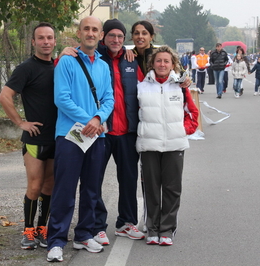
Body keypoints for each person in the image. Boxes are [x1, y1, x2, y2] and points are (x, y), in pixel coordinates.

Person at [46, 16, 114, 262]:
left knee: (92, 189)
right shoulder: (66, 61)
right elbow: (62, 99)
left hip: (97, 135)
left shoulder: (104, 66)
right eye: (86, 28)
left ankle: (84, 234)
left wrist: (97, 119)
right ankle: (56, 241)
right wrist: (91, 121)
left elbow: (109, 99)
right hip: (70, 135)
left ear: (100, 35)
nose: (91, 33)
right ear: (79, 33)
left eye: (95, 29)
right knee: (64, 189)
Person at [0, 22, 58, 250]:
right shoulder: (26, 68)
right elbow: (4, 96)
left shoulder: (61, 66)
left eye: (49, 38)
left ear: (54, 41)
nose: (45, 42)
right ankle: (28, 231)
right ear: (33, 42)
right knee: (34, 186)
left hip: (57, 138)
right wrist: (20, 122)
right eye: (41, 38)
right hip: (34, 140)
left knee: (49, 186)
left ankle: (43, 229)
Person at [136, 45, 198, 246]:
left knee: (172, 189)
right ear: (152, 64)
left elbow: (193, 114)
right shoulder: (141, 86)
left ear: (173, 64)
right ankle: (152, 229)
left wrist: (182, 130)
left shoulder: (181, 86)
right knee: (152, 189)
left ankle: (167, 229)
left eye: (166, 61)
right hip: (149, 145)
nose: (162, 64)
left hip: (174, 145)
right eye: (158, 61)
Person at [92, 18, 145, 245]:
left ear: (125, 39)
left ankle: (126, 223)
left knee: (129, 179)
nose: (116, 40)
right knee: (94, 181)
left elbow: (148, 88)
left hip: (127, 132)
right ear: (103, 36)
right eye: (112, 35)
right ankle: (96, 226)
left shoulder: (131, 59)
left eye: (120, 37)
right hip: (100, 132)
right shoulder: (92, 58)